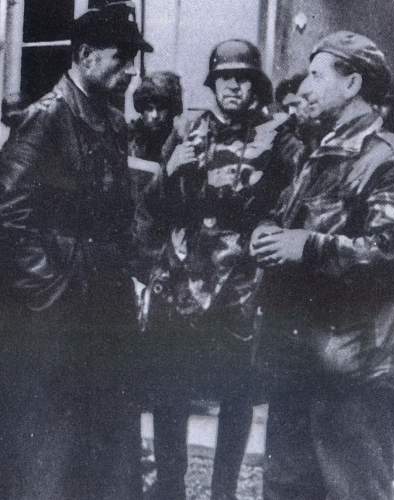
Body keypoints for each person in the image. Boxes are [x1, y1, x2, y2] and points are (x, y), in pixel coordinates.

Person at [250, 31, 394, 500]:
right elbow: (291, 219)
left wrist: (308, 247)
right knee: (287, 487)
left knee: (353, 490)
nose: (304, 88)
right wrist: (267, 232)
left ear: (352, 85)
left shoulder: (389, 161)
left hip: (352, 369)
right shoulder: (317, 153)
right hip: (298, 357)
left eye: (315, 75)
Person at [139, 39, 304, 500]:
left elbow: (298, 202)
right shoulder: (188, 128)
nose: (234, 85)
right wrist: (169, 169)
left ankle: (223, 491)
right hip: (181, 282)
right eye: (226, 77)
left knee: (236, 395)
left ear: (256, 85)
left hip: (241, 287)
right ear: (213, 83)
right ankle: (169, 486)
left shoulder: (279, 137)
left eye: (244, 77)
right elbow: (152, 208)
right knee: (171, 391)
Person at [0, 6, 153, 500]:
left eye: (133, 59)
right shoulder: (44, 119)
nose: (131, 70)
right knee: (52, 442)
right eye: (122, 58)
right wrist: (51, 294)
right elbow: (9, 218)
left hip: (105, 304)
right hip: (58, 312)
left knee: (107, 439)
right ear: (86, 56)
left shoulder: (112, 122)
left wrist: (135, 275)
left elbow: (119, 212)